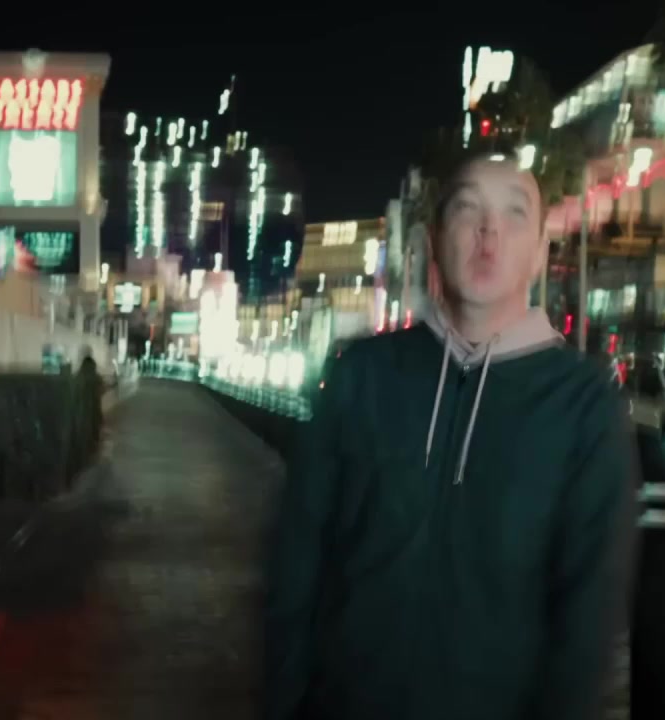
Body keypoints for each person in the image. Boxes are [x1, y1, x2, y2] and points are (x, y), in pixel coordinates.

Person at [264, 149, 637, 720]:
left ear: (540, 251)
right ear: (435, 239)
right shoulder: (361, 375)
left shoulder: (583, 403)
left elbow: (589, 616)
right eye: (467, 209)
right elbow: (297, 558)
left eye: (514, 213)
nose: (489, 232)